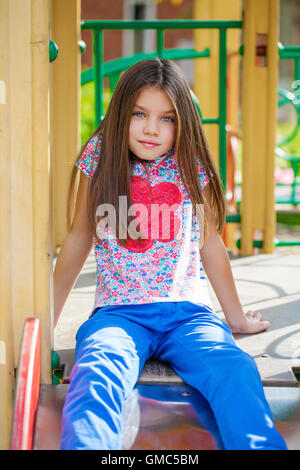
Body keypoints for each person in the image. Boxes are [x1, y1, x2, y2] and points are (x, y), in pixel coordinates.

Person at [54, 59, 287, 450]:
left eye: (167, 119)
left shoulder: (188, 162)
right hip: (119, 312)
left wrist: (235, 318)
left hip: (188, 313)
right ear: (120, 114)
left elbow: (210, 244)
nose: (151, 129)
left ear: (182, 124)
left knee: (234, 369)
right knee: (97, 370)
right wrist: (48, 319)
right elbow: (78, 238)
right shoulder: (100, 156)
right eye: (139, 114)